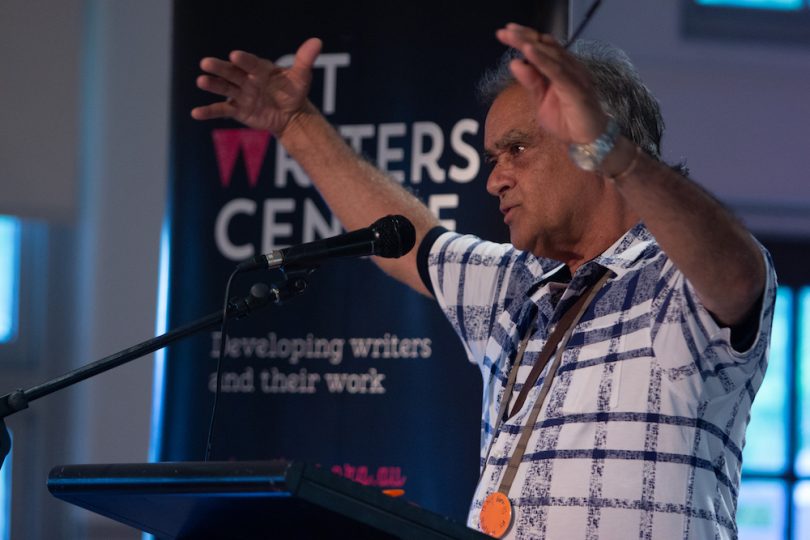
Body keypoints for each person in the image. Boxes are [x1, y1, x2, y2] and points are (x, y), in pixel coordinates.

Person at [192, 23, 775, 539]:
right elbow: (408, 240)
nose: (495, 180)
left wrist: (613, 151)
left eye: (517, 149)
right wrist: (296, 124)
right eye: (494, 158)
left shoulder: (676, 283)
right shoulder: (515, 285)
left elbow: (736, 270)